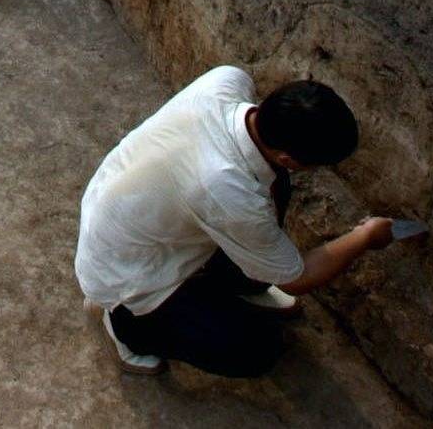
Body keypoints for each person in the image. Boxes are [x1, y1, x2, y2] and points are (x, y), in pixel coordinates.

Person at [74, 65, 397, 378]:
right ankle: (125, 327)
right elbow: (297, 279)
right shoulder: (227, 189)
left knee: (272, 186)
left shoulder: (227, 81)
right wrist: (365, 237)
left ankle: (242, 282)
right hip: (124, 276)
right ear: (288, 158)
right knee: (256, 350)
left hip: (132, 219)